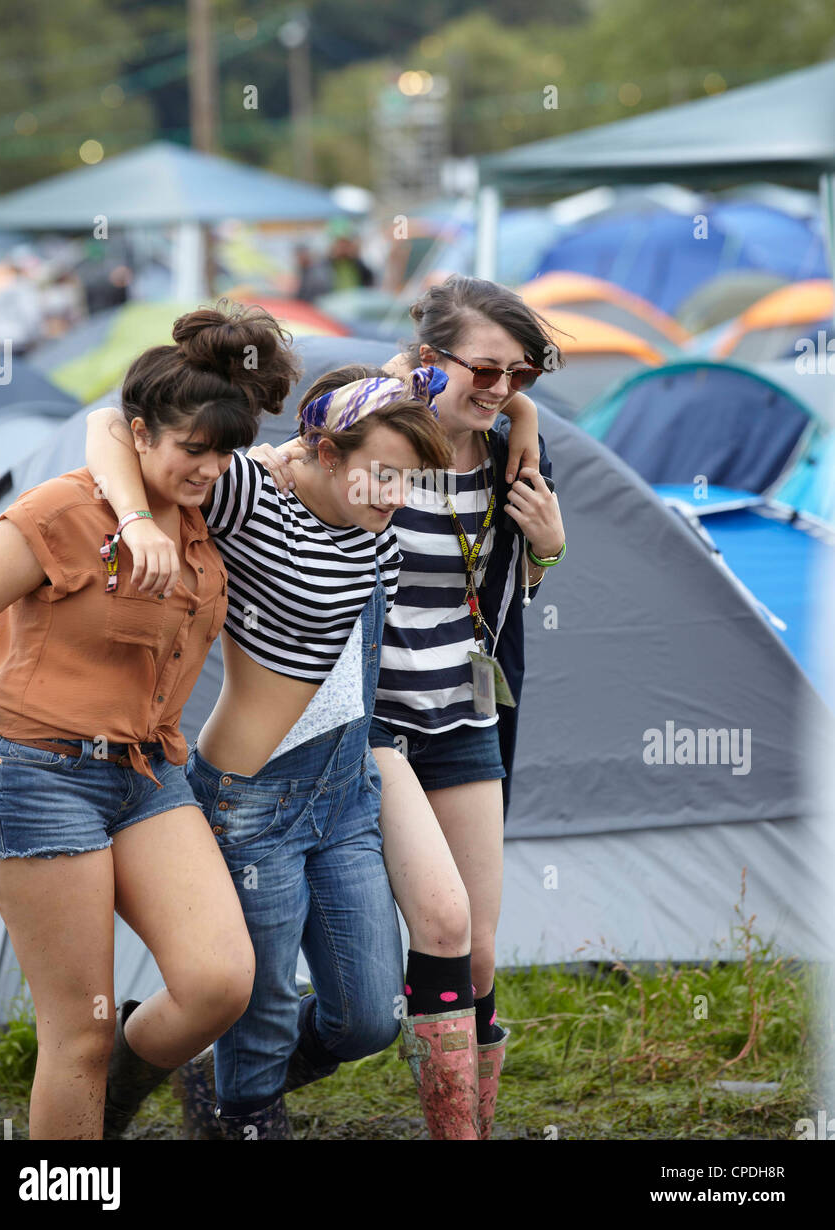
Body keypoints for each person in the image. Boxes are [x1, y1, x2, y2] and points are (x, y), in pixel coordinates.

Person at [85, 361, 454, 1140]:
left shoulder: (372, 528)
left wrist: (510, 420)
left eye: (409, 480)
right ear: (326, 453)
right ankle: (237, 1108)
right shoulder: (254, 501)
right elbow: (111, 427)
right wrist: (136, 522)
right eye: (382, 475)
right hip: (253, 802)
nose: (395, 494)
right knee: (260, 1008)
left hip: (347, 792)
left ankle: (214, 1076)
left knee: (367, 1018)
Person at [0, 304, 298, 1140]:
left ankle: (112, 1092)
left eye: (223, 453)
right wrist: (131, 519)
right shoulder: (58, 513)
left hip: (150, 775)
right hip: (39, 775)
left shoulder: (205, 521)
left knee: (222, 982)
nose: (209, 469)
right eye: (193, 449)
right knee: (76, 1027)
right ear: (144, 435)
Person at [254, 275, 566, 1138]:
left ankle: (263, 1074)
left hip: (463, 711)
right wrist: (419, 381)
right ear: (428, 362)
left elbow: (506, 595)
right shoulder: (380, 435)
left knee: (480, 953)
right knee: (441, 918)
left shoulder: (515, 457)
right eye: (486, 371)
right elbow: (305, 480)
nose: (503, 393)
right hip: (372, 717)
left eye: (524, 377)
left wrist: (551, 547)